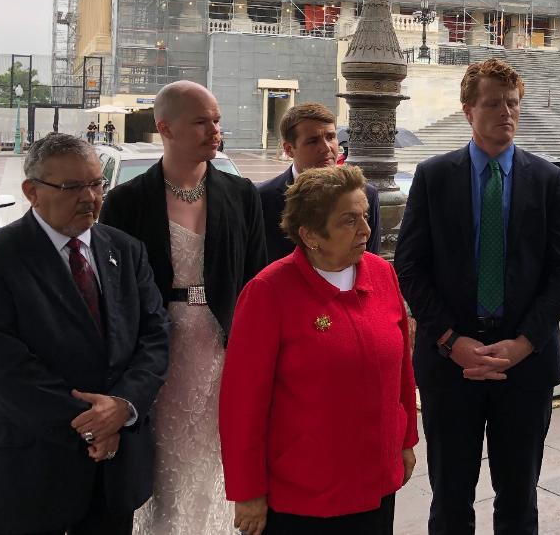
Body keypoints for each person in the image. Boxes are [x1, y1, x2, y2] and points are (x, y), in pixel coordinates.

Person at [394, 58, 560, 535]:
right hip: (449, 362)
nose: (506, 113)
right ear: (467, 111)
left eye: (513, 103)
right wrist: (451, 339)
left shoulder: (546, 180)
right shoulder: (433, 177)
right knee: (450, 499)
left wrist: (523, 343)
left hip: (526, 364)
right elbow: (411, 269)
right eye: (493, 104)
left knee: (519, 500)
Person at [0, 134, 169, 535]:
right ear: (31, 192)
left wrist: (123, 406)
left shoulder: (125, 250)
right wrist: (94, 425)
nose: (89, 197)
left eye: (96, 183)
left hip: (112, 477)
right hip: (27, 473)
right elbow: (5, 370)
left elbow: (154, 337)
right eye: (72, 187)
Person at [99, 81, 267, 535]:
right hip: (157, 356)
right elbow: (112, 295)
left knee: (221, 459)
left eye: (216, 120)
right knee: (166, 465)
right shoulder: (126, 201)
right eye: (201, 122)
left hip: (225, 351)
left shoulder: (241, 193)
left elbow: (256, 281)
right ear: (164, 128)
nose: (215, 130)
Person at [220, 165, 418, 535]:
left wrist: (405, 441)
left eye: (364, 216)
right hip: (304, 496)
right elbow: (242, 405)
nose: (366, 230)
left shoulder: (381, 273)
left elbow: (401, 371)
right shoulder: (268, 292)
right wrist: (248, 492)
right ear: (310, 234)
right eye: (348, 221)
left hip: (375, 482)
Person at [257, 103, 380, 262]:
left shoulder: (366, 194)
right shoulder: (262, 199)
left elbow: (370, 262)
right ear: (288, 149)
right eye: (313, 141)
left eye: (330, 137)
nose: (326, 148)